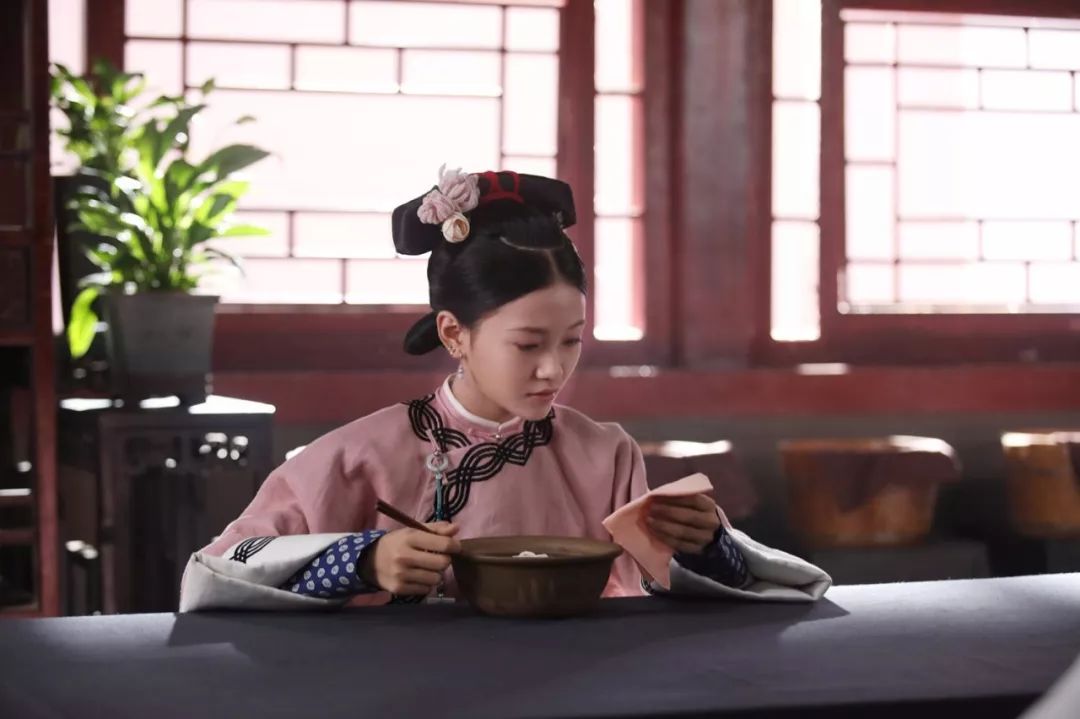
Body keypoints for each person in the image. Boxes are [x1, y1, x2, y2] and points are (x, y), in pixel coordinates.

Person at [180, 168, 829, 611]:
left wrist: (705, 545)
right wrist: (361, 560)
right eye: (527, 344)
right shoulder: (357, 455)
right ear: (454, 333)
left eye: (571, 340)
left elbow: (675, 589)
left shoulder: (604, 454)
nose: (554, 369)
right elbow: (219, 569)